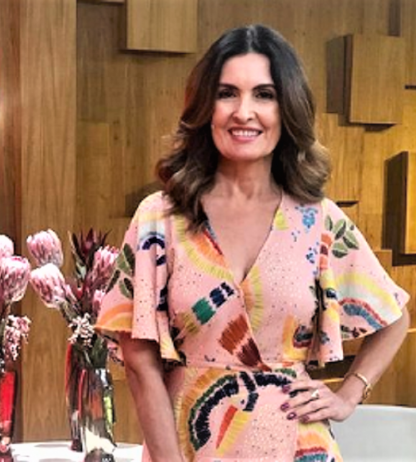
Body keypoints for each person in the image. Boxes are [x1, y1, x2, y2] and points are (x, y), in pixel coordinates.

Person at [96, 24, 410, 462]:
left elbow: (394, 318)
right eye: (227, 93)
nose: (244, 112)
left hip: (299, 443)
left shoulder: (317, 220)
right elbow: (138, 358)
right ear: (206, 107)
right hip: (191, 442)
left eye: (264, 95)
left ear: (287, 109)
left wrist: (349, 394)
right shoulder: (161, 218)